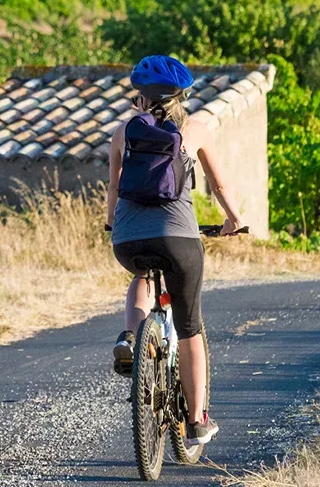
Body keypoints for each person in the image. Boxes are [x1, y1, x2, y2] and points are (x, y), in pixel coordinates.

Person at [104, 54, 244, 447]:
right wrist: (233, 219)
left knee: (142, 276)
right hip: (179, 239)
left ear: (140, 95)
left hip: (129, 239)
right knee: (189, 328)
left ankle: (131, 336)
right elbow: (219, 185)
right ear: (182, 94)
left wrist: (114, 224)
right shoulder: (195, 130)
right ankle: (197, 420)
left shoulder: (122, 133)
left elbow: (114, 190)